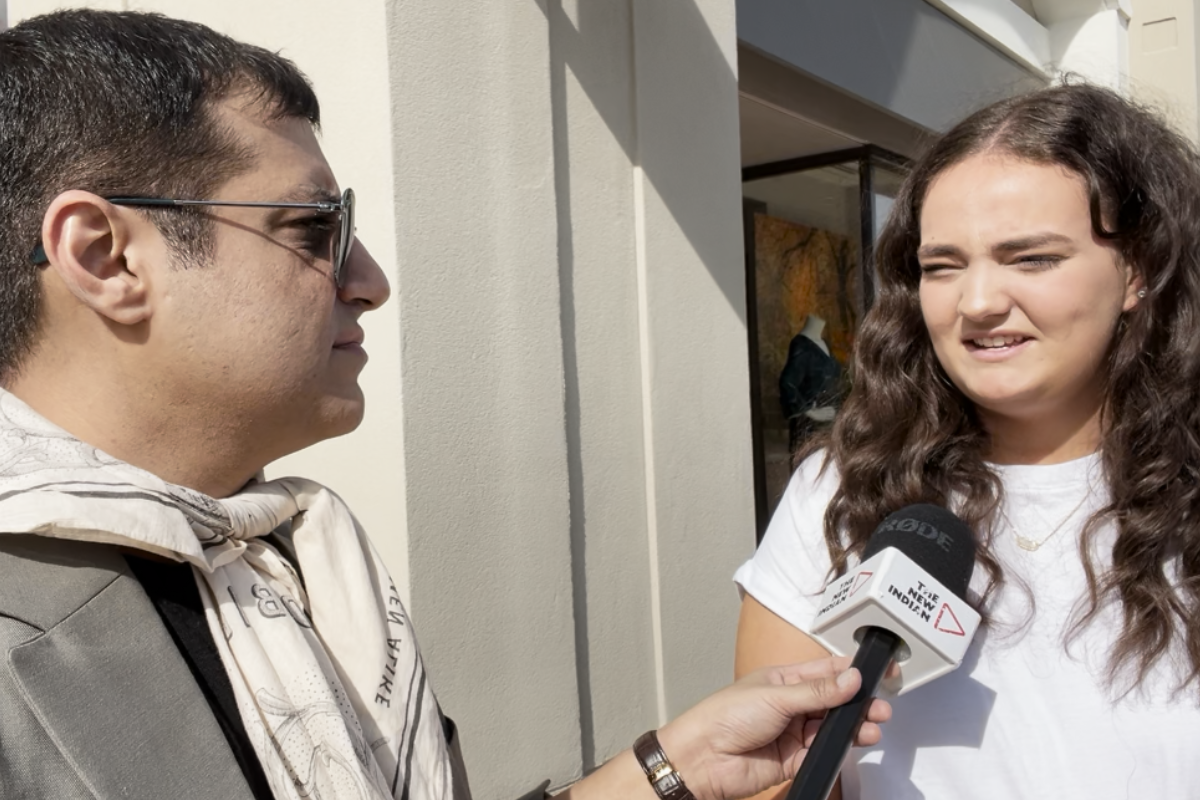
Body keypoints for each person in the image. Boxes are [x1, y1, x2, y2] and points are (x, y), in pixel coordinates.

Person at [0, 10, 892, 800]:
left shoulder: (301, 558)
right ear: (106, 256)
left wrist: (662, 772)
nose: (370, 282)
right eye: (315, 229)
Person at [734, 82, 1200, 800]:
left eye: (1032, 258)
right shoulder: (839, 488)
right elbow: (772, 779)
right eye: (942, 265)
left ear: (1137, 269)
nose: (976, 303)